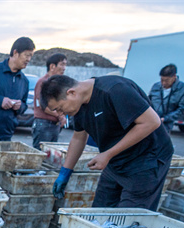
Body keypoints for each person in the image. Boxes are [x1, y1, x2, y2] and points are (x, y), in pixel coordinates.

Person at [41, 74, 174, 211]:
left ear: (71, 93)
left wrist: (108, 154)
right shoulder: (78, 106)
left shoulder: (114, 89)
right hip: (116, 160)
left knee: (130, 218)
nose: (61, 114)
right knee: (100, 211)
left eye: (60, 108)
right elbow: (78, 138)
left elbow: (152, 122)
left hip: (146, 159)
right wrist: (65, 172)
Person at [0, 37, 34, 142]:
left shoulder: (24, 81)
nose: (29, 60)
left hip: (7, 135)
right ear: (15, 52)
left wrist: (20, 106)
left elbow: (24, 105)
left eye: (31, 56)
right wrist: (0, 101)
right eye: (27, 55)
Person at [32, 52, 68, 151]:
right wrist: (60, 116)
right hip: (43, 125)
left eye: (65, 65)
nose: (64, 68)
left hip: (54, 125)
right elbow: (43, 105)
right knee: (40, 156)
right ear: (52, 66)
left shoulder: (56, 83)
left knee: (51, 156)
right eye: (62, 64)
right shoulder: (43, 82)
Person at [148, 64, 184, 132]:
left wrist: (165, 119)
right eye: (162, 80)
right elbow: (148, 102)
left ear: (174, 76)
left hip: (166, 125)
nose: (163, 83)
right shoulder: (156, 86)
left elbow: (181, 109)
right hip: (150, 121)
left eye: (166, 80)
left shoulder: (183, 89)